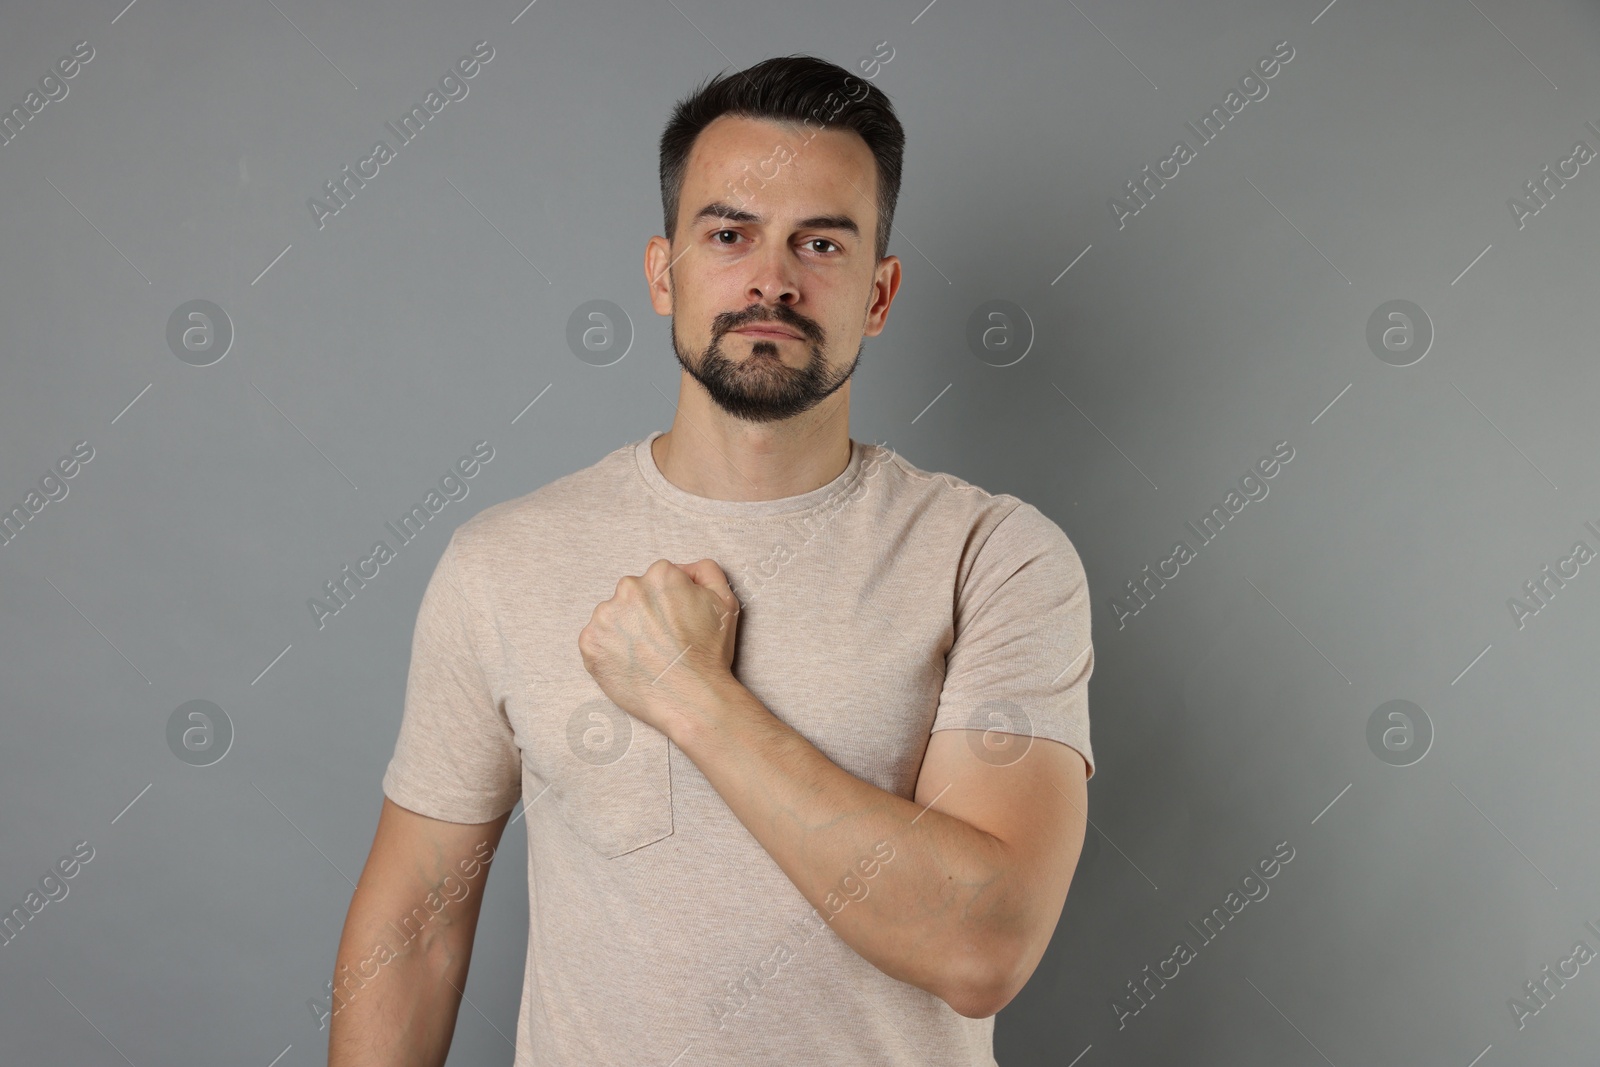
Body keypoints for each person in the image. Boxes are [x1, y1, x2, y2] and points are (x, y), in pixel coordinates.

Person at [329, 53, 1095, 1066]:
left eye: (820, 242)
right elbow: (414, 932)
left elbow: (980, 942)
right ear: (664, 272)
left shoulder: (993, 557)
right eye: (728, 234)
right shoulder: (502, 561)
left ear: (878, 291)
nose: (770, 278)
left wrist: (695, 696)